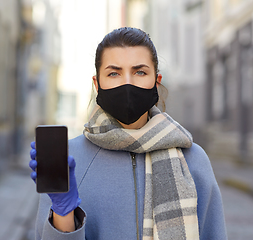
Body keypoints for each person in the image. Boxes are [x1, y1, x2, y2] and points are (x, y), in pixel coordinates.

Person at [29, 27, 227, 240]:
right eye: (114, 73)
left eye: (140, 72)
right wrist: (64, 213)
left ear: (156, 82)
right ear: (97, 84)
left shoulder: (193, 161)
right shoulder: (69, 160)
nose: (127, 83)